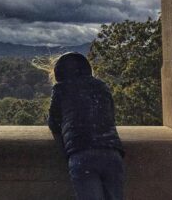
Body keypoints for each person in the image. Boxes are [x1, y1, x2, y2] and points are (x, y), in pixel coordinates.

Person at [47, 52, 125, 200]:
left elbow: (53, 123)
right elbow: (111, 116)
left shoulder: (61, 89)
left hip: (81, 153)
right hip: (112, 152)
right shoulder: (102, 86)